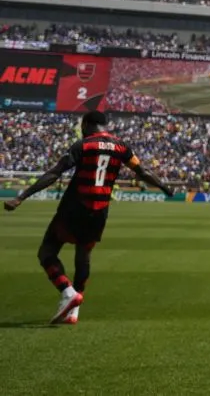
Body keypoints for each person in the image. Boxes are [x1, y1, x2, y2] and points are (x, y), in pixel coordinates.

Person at [3, 111, 174, 324]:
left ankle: (67, 291)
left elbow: (54, 173)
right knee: (83, 256)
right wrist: (165, 188)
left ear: (86, 124)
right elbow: (143, 171)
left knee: (47, 251)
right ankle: (74, 311)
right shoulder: (122, 147)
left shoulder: (83, 145)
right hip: (99, 212)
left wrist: (21, 197)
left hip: (75, 207)